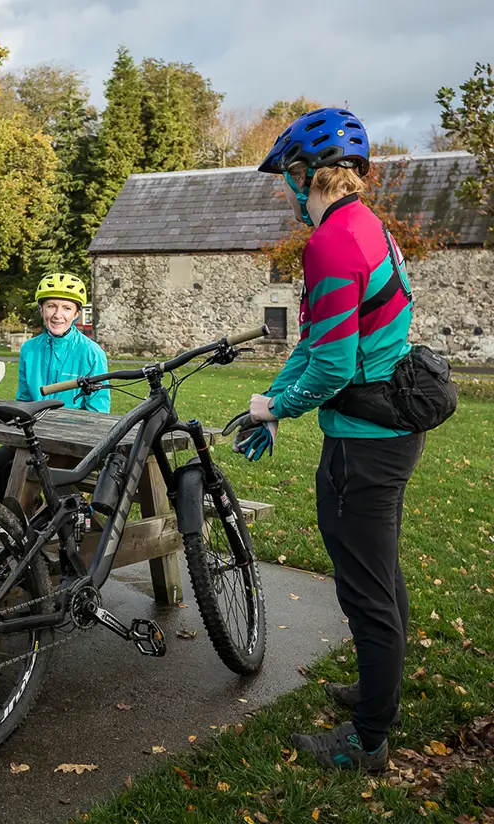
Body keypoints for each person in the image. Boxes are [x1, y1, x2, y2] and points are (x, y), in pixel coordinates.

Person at [232, 107, 424, 771]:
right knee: (382, 573)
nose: (287, 191)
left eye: (289, 175)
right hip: (386, 431)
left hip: (364, 440)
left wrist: (273, 408)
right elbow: (319, 341)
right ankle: (380, 692)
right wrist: (277, 404)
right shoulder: (366, 227)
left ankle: (368, 737)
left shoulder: (332, 242)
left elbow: (336, 365)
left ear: (307, 173)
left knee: (365, 590)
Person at [0, 273, 110, 503]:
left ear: (76, 313)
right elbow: (24, 398)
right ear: (41, 310)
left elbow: (98, 412)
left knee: (24, 477)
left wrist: (66, 431)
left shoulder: (91, 353)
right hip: (32, 436)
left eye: (66, 308)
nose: (58, 314)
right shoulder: (30, 349)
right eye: (51, 306)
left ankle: (24, 532)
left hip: (72, 443)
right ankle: (1, 524)